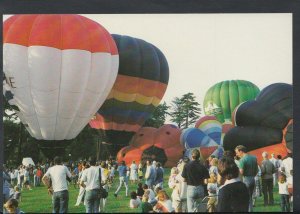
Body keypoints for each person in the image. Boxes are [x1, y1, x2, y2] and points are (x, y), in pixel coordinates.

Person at [235, 145, 258, 212]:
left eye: (237, 152)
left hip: (245, 180)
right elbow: (257, 170)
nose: (237, 154)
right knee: (249, 197)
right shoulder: (254, 157)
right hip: (252, 179)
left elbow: (241, 172)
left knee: (244, 198)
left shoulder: (242, 160)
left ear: (241, 151)